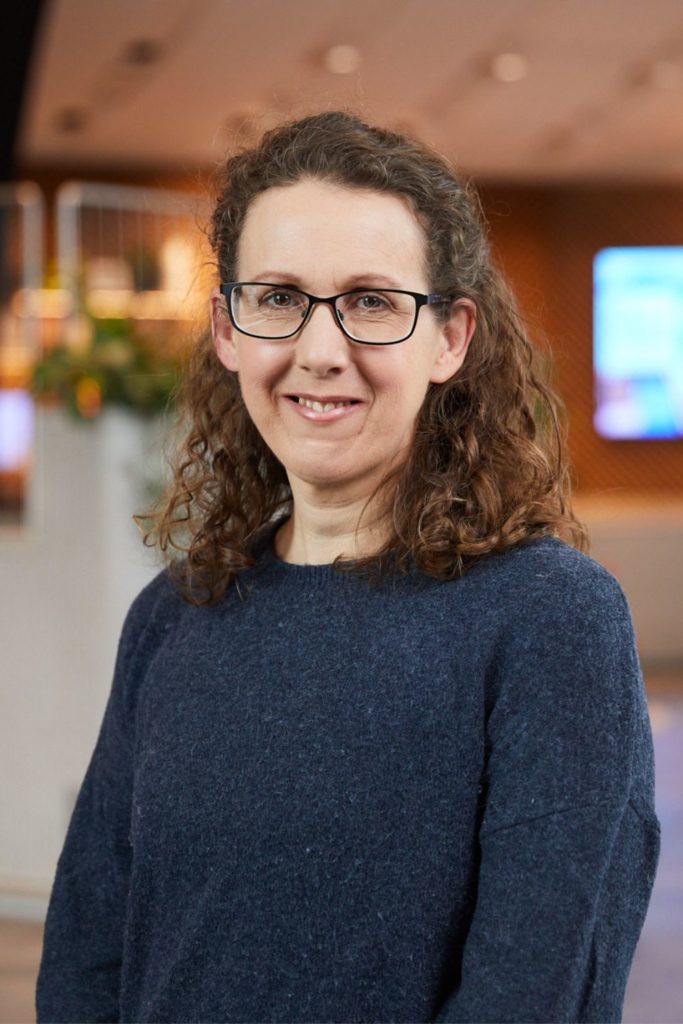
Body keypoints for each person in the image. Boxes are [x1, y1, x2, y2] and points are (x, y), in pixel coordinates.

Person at [36, 111, 660, 1024]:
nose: (319, 351)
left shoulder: (548, 620)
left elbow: (532, 992)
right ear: (228, 330)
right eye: (279, 297)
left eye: (371, 302)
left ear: (449, 338)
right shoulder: (174, 615)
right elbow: (88, 954)